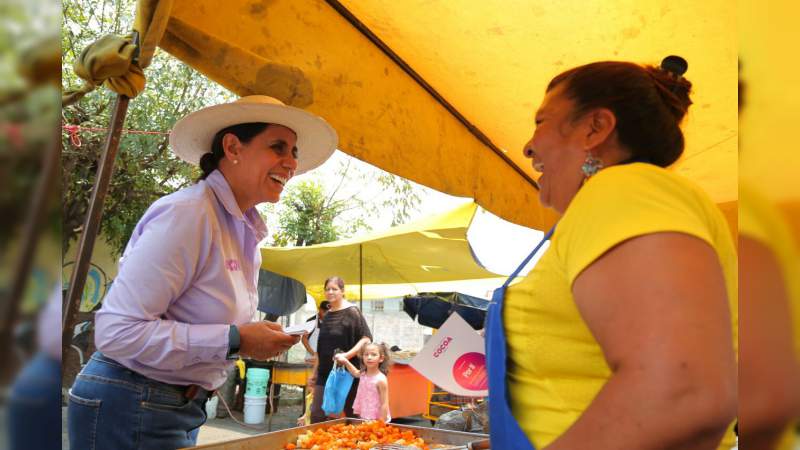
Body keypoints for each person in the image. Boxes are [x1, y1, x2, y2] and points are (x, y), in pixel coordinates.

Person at [487, 57, 738, 450]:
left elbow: (682, 390)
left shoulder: (622, 189)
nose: (528, 146)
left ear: (595, 128)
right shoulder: (613, 207)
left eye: (540, 122)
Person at [67, 95, 338, 449]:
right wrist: (236, 339)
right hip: (132, 400)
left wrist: (250, 339)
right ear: (232, 147)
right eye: (278, 147)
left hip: (174, 404)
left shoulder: (242, 232)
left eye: (295, 152)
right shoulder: (189, 215)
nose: (291, 163)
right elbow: (117, 332)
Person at [309, 276, 372, 423]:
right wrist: (314, 373)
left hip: (348, 372)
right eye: (327, 289)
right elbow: (321, 347)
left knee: (352, 413)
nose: (330, 292)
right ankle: (319, 444)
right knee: (317, 413)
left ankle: (358, 444)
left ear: (342, 291)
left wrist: (347, 356)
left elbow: (366, 338)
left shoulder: (352, 312)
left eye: (334, 289)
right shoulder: (328, 314)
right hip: (325, 372)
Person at [335, 341, 392, 422]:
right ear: (362, 357)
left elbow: (384, 403)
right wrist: (345, 361)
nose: (369, 357)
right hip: (365, 414)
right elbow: (355, 372)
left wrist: (382, 422)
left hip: (378, 418)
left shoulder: (381, 379)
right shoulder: (363, 374)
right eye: (366, 354)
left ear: (381, 358)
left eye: (373, 354)